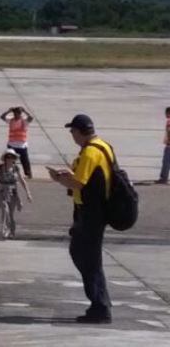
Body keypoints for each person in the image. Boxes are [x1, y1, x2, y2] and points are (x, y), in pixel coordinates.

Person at [48, 114, 115, 324]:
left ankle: (100, 306)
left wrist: (59, 179)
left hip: (90, 213)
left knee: (86, 257)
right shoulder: (103, 146)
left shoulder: (90, 152)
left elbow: (79, 183)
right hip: (95, 211)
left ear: (80, 131)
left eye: (72, 132)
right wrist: (69, 173)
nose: (72, 136)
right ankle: (99, 303)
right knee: (85, 254)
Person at [0, 149, 32, 239]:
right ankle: (3, 229)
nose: (9, 159)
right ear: (5, 158)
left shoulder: (16, 168)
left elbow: (22, 181)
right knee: (4, 209)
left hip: (13, 193)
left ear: (14, 159)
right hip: (1, 192)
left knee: (11, 214)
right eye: (7, 157)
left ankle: (11, 230)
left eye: (11, 157)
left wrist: (28, 193)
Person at [0, 106, 35, 178]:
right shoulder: (11, 120)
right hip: (12, 145)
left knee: (25, 161)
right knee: (10, 161)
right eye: (15, 113)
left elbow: (31, 118)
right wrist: (8, 111)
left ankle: (28, 173)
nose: (17, 115)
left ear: (21, 114)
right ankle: (9, 172)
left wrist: (25, 111)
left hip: (22, 145)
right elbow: (2, 117)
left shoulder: (24, 121)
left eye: (18, 113)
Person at [158, 107, 170, 185]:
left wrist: (168, 140)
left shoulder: (169, 121)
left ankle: (164, 178)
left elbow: (169, 131)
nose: (165, 115)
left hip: (169, 145)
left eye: (166, 113)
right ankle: (164, 177)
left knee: (166, 162)